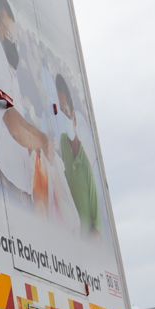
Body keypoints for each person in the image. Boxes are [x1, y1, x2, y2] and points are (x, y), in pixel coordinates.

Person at [0, 0, 51, 209]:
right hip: (3, 173)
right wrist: (41, 139)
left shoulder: (1, 48)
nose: (12, 26)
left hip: (14, 176)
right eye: (9, 18)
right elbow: (8, 115)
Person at [54, 74, 100, 234]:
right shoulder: (64, 139)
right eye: (60, 110)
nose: (62, 115)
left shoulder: (82, 135)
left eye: (65, 110)